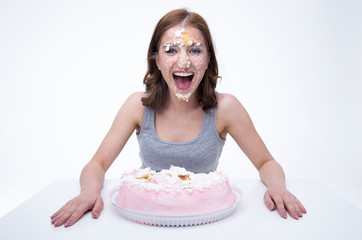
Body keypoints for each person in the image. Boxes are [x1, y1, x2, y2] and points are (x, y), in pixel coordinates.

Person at [51, 9, 306, 227]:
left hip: (208, 223)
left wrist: (278, 187)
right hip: (146, 223)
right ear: (157, 59)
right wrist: (89, 191)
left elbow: (266, 163)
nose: (183, 62)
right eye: (171, 50)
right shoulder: (137, 106)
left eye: (195, 51)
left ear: (208, 59)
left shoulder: (226, 108)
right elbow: (96, 164)